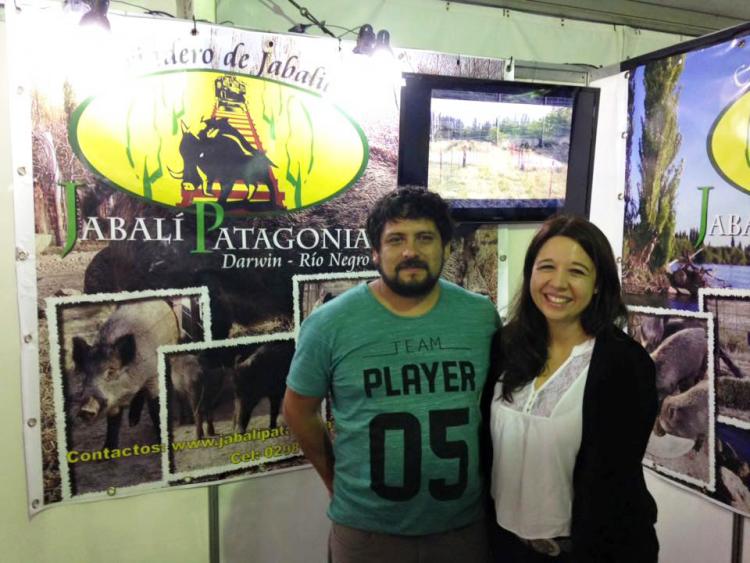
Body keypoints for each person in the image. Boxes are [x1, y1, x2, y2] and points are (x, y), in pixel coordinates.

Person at [284, 187, 500, 563]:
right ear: (375, 252)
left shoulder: (481, 316)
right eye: (396, 239)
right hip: (368, 533)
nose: (410, 251)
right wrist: (335, 481)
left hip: (461, 528)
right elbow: (298, 409)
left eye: (425, 238)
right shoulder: (329, 324)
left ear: (447, 247)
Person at [481, 215, 658, 563]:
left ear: (598, 284)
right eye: (546, 267)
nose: (558, 283)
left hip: (590, 553)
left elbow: (616, 478)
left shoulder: (624, 365)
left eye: (577, 271)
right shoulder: (506, 345)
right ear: (531, 273)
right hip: (507, 548)